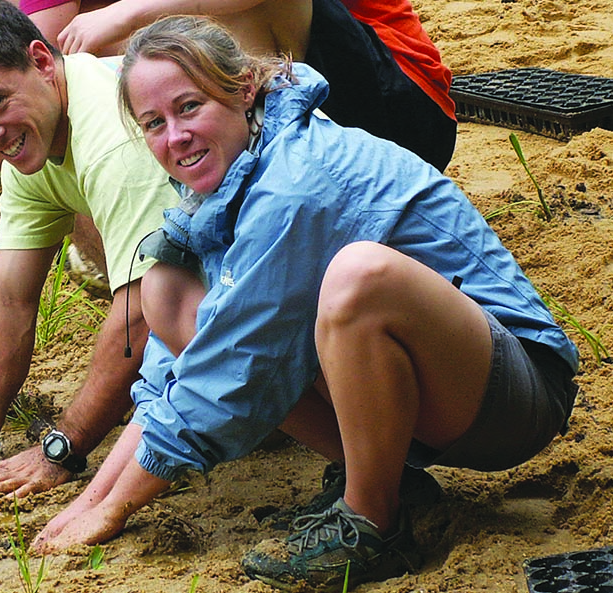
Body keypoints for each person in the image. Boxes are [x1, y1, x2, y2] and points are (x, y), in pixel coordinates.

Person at [30, 16, 579, 593]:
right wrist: (96, 496)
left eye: (189, 107)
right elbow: (189, 358)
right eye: (154, 123)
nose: (175, 136)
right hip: (426, 403)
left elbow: (231, 368)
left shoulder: (296, 178)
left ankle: (372, 524)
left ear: (244, 89)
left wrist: (119, 508)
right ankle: (382, 482)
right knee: (167, 291)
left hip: (511, 397)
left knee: (356, 277)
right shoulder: (222, 178)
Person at [0, 0, 456, 243]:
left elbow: (25, 73)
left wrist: (130, 13)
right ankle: (169, 229)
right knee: (97, 59)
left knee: (131, 35)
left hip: (402, 102)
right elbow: (18, 76)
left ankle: (252, 193)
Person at [0, 0, 175, 496]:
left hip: (328, 251)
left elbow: (146, 313)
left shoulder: (113, 138)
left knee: (171, 304)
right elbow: (9, 295)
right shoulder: (28, 140)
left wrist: (62, 447)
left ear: (41, 61)